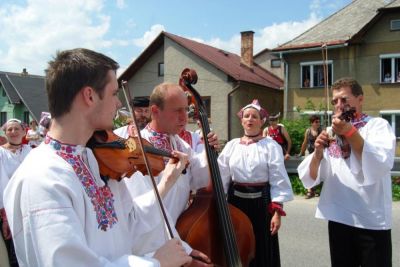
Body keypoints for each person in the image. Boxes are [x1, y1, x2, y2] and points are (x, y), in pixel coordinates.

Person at [3, 48, 197, 267]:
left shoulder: (96, 161)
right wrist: (155, 263)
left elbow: (131, 223)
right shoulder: (41, 178)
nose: (119, 104)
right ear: (90, 96)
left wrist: (167, 182)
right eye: (114, 93)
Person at [297, 77, 396, 267]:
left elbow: (380, 163)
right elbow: (312, 177)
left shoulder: (377, 125)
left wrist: (350, 133)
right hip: (339, 216)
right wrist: (317, 154)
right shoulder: (330, 131)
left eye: (344, 99)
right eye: (335, 101)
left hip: (370, 219)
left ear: (360, 99)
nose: (339, 105)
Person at [118, 82, 218, 224]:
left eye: (185, 109)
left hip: (179, 231)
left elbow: (198, 179)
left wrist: (209, 151)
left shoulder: (181, 145)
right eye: (177, 110)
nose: (184, 117)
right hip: (153, 238)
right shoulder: (138, 150)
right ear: (155, 111)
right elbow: (140, 207)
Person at [218, 99, 293, 267]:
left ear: (262, 121)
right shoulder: (231, 146)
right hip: (235, 204)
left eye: (254, 116)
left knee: (262, 249)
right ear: (242, 120)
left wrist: (277, 212)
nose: (250, 119)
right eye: (246, 116)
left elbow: (278, 179)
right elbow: (222, 176)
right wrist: (220, 204)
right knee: (237, 248)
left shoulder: (271, 146)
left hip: (262, 205)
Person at [1, 119, 32, 267]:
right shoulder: (1, 153)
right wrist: (5, 216)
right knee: (13, 248)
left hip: (29, 204)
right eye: (9, 129)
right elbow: (2, 183)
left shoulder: (30, 152)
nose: (13, 132)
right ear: (5, 133)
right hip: (9, 207)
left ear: (24, 132)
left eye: (16, 129)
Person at [298, 115, 322, 199]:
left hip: (319, 154)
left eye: (319, 121)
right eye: (316, 122)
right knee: (308, 171)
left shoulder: (322, 130)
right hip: (310, 153)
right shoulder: (308, 131)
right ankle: (310, 191)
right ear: (312, 123)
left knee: (318, 171)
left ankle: (315, 190)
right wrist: (301, 153)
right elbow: (305, 143)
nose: (318, 123)